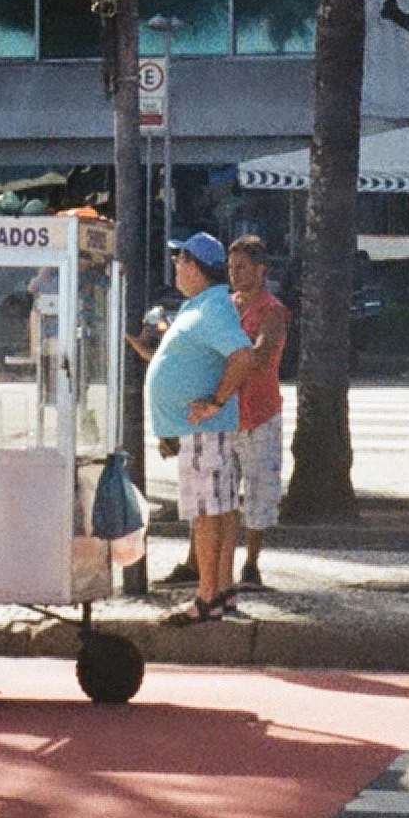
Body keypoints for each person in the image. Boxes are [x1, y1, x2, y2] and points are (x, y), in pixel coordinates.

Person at [144, 232, 260, 624]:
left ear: (195, 266)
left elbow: (243, 356)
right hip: (203, 429)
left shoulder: (211, 308)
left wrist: (215, 401)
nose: (176, 265)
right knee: (221, 509)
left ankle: (207, 595)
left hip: (203, 429)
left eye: (180, 259)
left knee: (208, 513)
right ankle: (221, 590)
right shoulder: (206, 305)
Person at [226, 233, 290, 591]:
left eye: (242, 267)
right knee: (220, 490)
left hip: (260, 413)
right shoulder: (225, 305)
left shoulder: (273, 310)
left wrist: (230, 354)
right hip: (226, 412)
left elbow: (262, 356)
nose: (234, 274)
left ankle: (251, 562)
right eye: (231, 267)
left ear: (260, 270)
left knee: (260, 491)